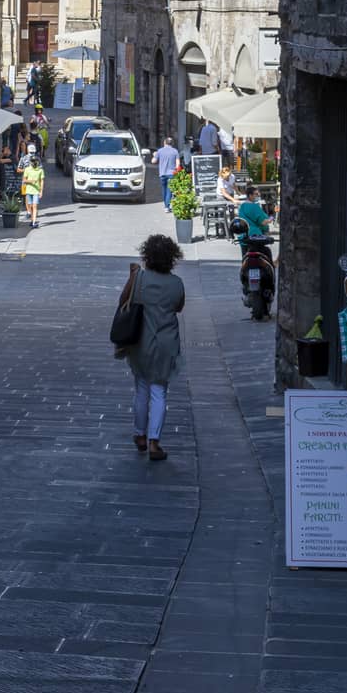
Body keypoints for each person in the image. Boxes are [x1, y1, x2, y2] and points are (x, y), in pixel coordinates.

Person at [118, 234, 185, 462]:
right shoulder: (176, 283)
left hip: (141, 342)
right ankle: (154, 442)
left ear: (147, 256)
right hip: (166, 343)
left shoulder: (140, 278)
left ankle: (139, 434)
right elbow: (179, 306)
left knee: (141, 388)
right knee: (159, 391)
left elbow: (123, 301)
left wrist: (133, 276)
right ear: (172, 258)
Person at [154, 137, 180, 208]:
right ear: (172, 143)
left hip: (162, 173)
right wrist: (177, 171)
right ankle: (167, 206)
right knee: (169, 190)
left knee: (164, 189)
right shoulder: (175, 151)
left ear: (164, 142)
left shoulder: (160, 151)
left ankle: (166, 205)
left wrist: (154, 155)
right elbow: (178, 163)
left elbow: (153, 161)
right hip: (171, 174)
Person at [22, 149, 45, 229]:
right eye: (33, 161)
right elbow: (24, 180)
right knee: (31, 206)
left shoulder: (40, 170)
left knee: (35, 206)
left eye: (35, 161)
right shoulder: (27, 169)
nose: (34, 162)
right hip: (29, 190)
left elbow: (42, 181)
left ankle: (34, 222)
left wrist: (41, 191)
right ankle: (32, 220)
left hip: (36, 191)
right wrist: (31, 181)